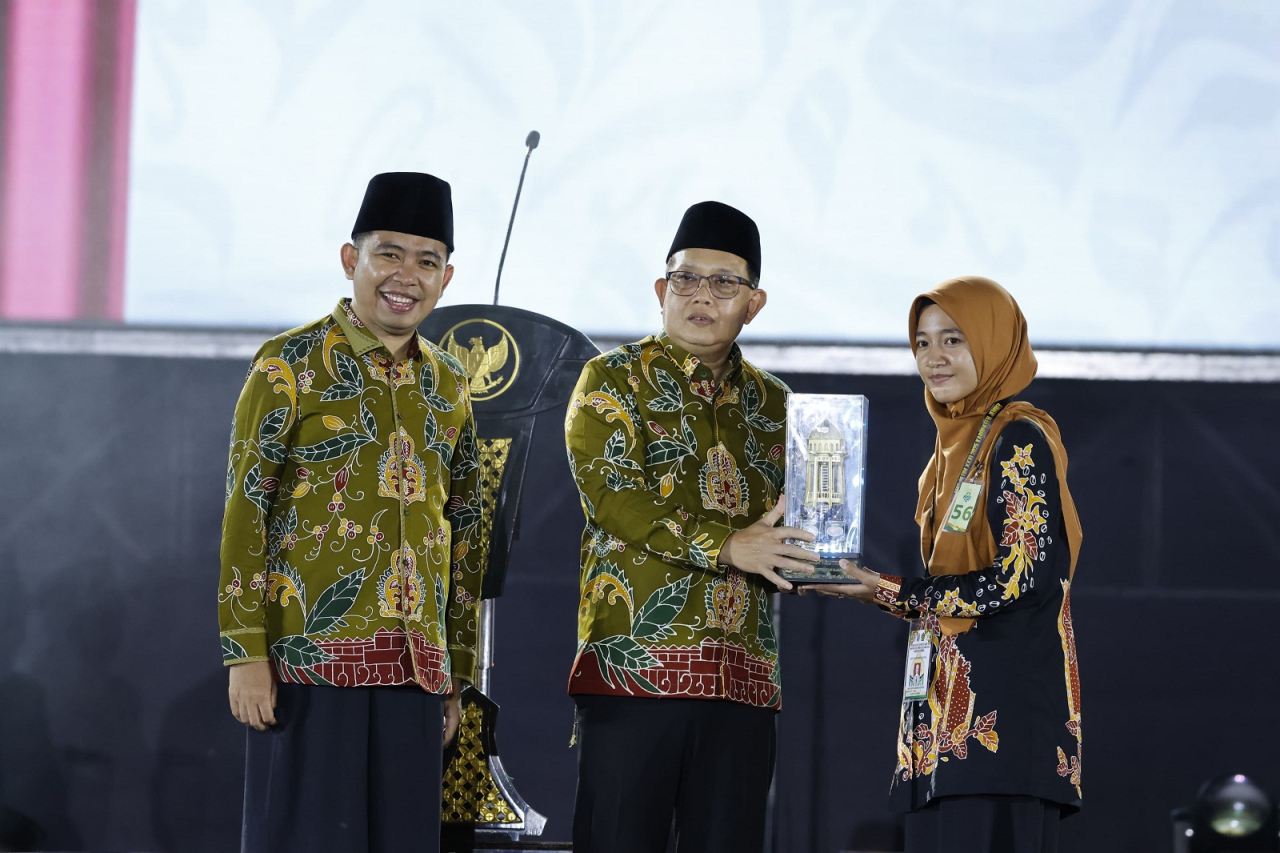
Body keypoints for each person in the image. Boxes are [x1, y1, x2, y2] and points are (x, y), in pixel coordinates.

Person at [217, 172, 484, 853]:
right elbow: (248, 510)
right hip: (306, 667)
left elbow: (464, 533)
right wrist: (244, 652)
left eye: (428, 261)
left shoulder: (450, 383)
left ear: (446, 278)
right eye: (389, 254)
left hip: (415, 672)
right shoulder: (289, 365)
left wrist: (454, 671)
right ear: (351, 260)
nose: (407, 276)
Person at [564, 201, 819, 853]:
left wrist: (821, 558)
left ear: (753, 303)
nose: (702, 295)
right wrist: (732, 544)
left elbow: (806, 523)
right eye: (686, 278)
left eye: (723, 283)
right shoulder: (612, 379)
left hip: (743, 685)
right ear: (660, 289)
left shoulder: (781, 407)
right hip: (635, 675)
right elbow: (614, 497)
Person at [812, 277, 1083, 853]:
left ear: (992, 341)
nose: (933, 358)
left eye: (953, 340)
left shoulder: (1018, 437)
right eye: (921, 343)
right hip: (943, 729)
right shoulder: (952, 452)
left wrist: (886, 589)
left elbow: (1018, 576)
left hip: (1003, 729)